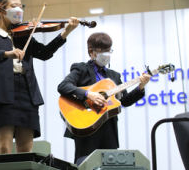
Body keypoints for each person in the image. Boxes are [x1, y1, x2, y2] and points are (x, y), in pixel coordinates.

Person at [0, 0, 79, 154]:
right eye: (14, 6)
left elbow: (44, 53)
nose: (19, 10)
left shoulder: (23, 34)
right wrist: (7, 54)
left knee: (26, 149)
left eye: (20, 6)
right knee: (3, 148)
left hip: (26, 92)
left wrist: (65, 33)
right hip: (2, 93)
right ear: (1, 10)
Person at [57, 32, 151, 165]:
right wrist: (88, 94)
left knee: (110, 165)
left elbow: (124, 101)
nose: (107, 54)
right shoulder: (81, 68)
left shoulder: (114, 76)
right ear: (92, 52)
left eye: (109, 50)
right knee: (86, 164)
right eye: (103, 51)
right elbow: (63, 86)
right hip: (86, 126)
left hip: (109, 129)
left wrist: (141, 86)